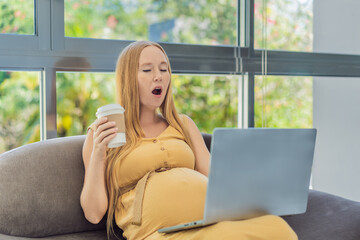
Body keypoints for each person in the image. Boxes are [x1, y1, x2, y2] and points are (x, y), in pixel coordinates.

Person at [80, 40, 297, 240]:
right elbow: (93, 213)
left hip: (208, 223)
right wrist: (98, 152)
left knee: (277, 228)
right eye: (147, 70)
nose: (159, 76)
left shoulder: (182, 124)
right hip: (158, 233)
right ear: (127, 78)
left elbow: (214, 179)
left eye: (164, 69)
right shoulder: (103, 133)